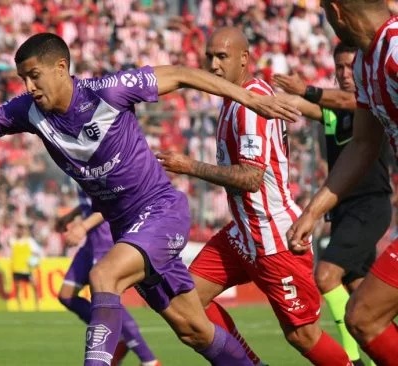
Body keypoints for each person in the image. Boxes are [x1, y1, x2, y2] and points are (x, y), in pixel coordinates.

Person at [0, 32, 300, 366]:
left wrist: (247, 98)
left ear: (61, 68)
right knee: (192, 329)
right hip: (126, 227)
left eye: (34, 75)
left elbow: (181, 73)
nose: (28, 85)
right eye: (23, 77)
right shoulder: (28, 112)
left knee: (103, 278)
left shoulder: (108, 91)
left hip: (160, 211)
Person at [156, 27, 351, 365]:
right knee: (185, 300)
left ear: (244, 59)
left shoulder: (250, 104)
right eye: (209, 57)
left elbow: (250, 177)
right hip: (243, 233)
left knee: (301, 335)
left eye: (222, 56)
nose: (213, 65)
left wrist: (189, 166)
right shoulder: (233, 100)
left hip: (274, 236)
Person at [286, 1, 398, 364]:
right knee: (364, 317)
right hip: (353, 206)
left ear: (336, 11)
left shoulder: (396, 48)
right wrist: (313, 210)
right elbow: (364, 144)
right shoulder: (368, 63)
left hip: (372, 203)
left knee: (364, 316)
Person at [56, 188, 160, 366]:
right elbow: (91, 202)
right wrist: (73, 215)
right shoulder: (78, 168)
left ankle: (149, 360)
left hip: (105, 240)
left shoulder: (96, 166)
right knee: (66, 295)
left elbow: (111, 204)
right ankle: (116, 337)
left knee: (107, 299)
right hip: (90, 244)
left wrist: (82, 226)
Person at [9, 221, 43, 311]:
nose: (21, 231)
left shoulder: (29, 241)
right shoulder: (13, 241)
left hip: (27, 269)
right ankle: (20, 307)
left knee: (34, 286)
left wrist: (34, 262)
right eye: (20, 228)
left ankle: (37, 306)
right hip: (16, 268)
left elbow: (37, 252)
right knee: (17, 288)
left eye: (23, 228)